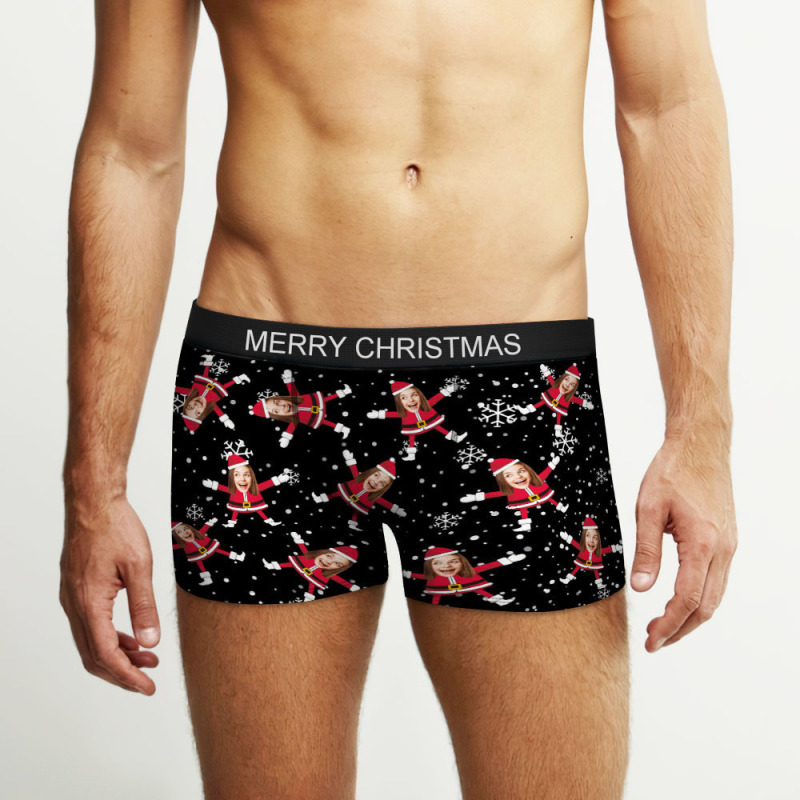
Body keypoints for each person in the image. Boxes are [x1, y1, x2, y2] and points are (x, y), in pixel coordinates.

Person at [59, 1, 737, 798]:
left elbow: (667, 105)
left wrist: (702, 432)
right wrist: (93, 489)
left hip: (519, 394)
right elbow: (131, 150)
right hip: (264, 388)